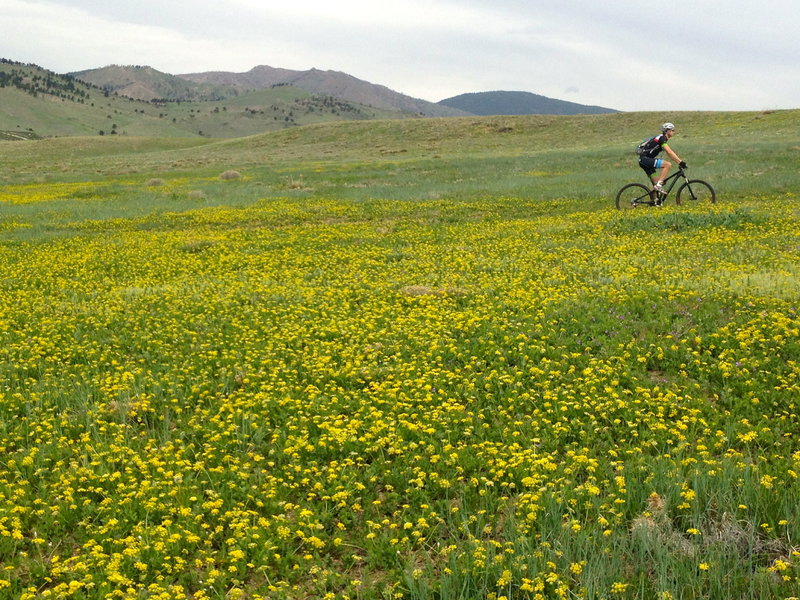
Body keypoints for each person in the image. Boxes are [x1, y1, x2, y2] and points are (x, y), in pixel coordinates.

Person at [638, 122, 686, 202]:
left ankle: (655, 202)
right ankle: (659, 185)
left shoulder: (662, 138)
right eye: (672, 130)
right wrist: (680, 162)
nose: (674, 132)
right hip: (645, 160)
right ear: (667, 131)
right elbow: (669, 152)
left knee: (656, 183)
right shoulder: (662, 138)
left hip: (643, 161)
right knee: (667, 165)